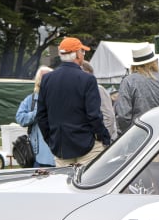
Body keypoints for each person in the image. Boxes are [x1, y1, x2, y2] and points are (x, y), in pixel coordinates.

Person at [35, 36, 111, 167]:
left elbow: (41, 116)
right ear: (77, 54)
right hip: (87, 145)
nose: (83, 55)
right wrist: (103, 137)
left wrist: (51, 140)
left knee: (66, 186)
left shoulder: (47, 79)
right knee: (89, 185)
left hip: (61, 147)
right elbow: (93, 115)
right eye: (82, 51)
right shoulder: (87, 79)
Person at [114, 43, 159, 135]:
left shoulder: (128, 81)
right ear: (153, 61)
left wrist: (124, 137)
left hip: (136, 135)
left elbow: (123, 116)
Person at [14, 66, 57, 167]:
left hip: (60, 156)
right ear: (38, 81)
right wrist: (37, 112)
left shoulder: (60, 98)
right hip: (38, 158)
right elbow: (20, 118)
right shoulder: (31, 100)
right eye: (43, 78)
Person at [80, 60, 118, 141]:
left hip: (104, 140)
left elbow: (109, 116)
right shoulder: (82, 91)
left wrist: (104, 138)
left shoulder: (98, 89)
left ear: (89, 73)